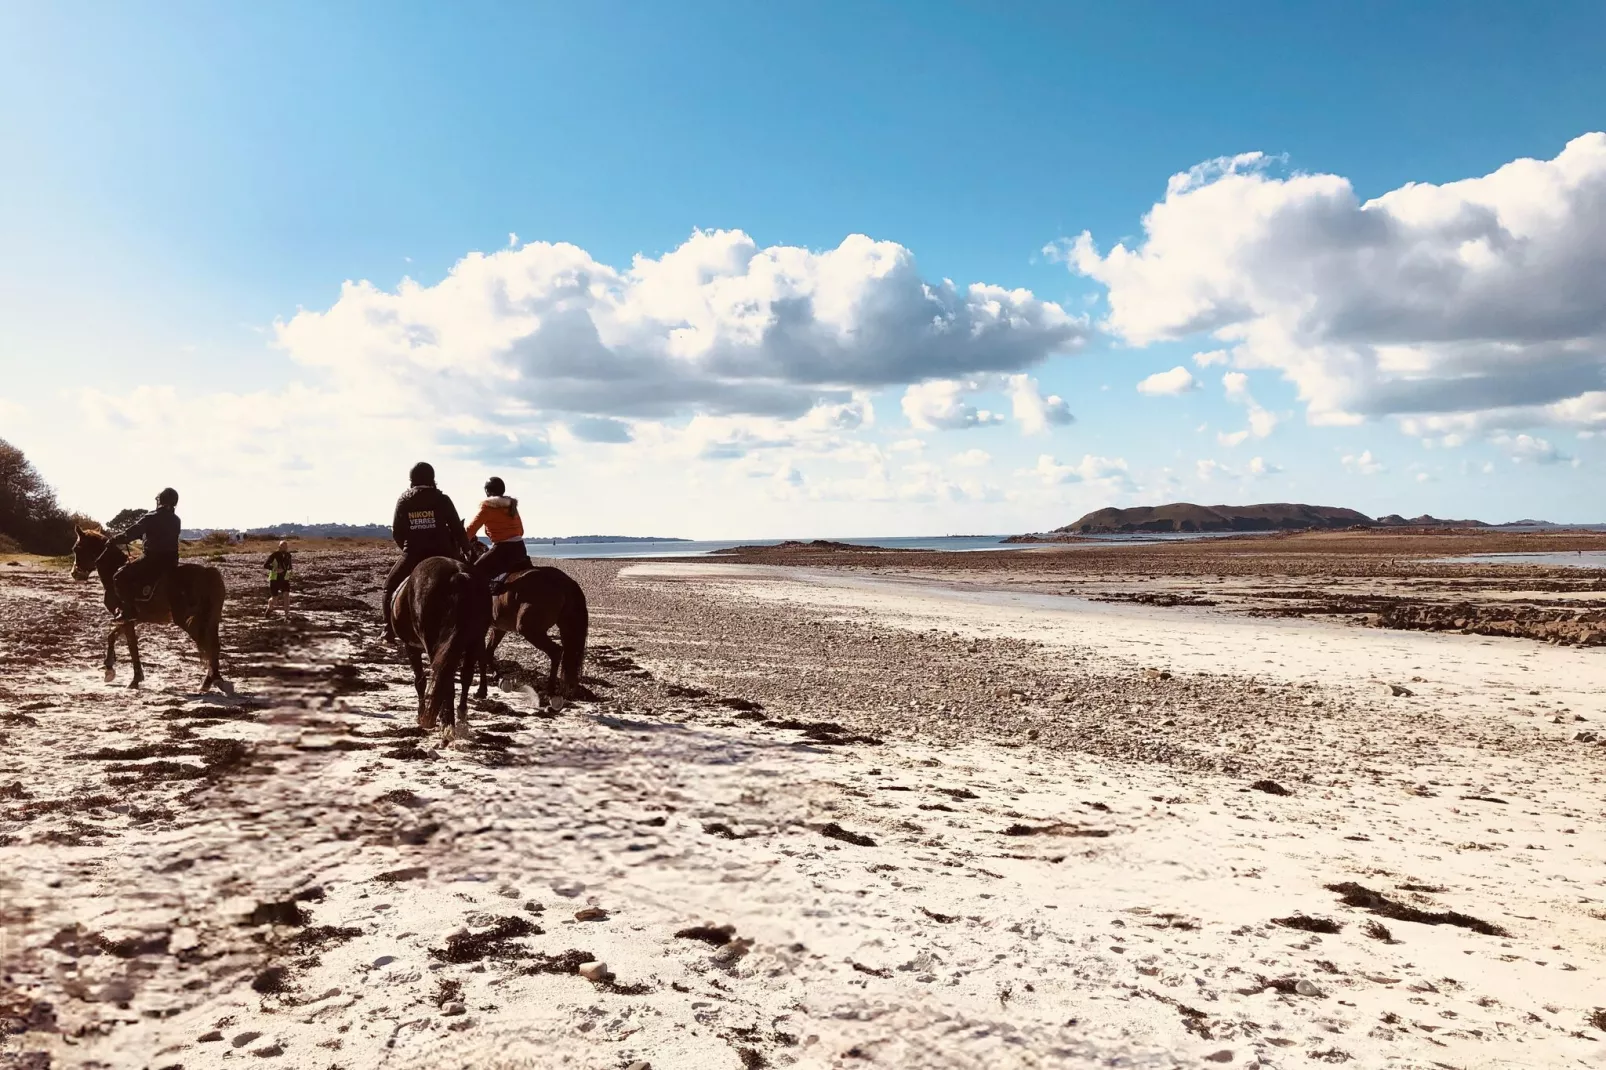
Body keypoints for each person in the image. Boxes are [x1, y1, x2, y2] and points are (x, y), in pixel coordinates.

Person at [383, 461, 469, 640]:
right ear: (432, 478)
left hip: (414, 553)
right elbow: (457, 528)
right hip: (443, 552)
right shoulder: (442, 499)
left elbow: (397, 531)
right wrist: (466, 551)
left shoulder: (404, 499)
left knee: (389, 587)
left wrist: (407, 549)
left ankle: (388, 630)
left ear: (412, 479)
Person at [109, 488, 182, 621]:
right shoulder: (176, 519)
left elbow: (129, 534)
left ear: (160, 500)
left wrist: (114, 539)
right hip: (172, 561)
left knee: (119, 577)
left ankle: (129, 611)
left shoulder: (151, 517)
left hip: (152, 559)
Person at [465, 476, 532, 592]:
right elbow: (521, 531)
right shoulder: (511, 506)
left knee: (473, 573)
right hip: (520, 548)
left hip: (502, 550)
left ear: (487, 491)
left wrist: (461, 541)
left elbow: (471, 530)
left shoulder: (487, 507)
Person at [265, 540, 293, 617]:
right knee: (275, 601)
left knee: (286, 595)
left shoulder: (288, 555)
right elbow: (266, 565)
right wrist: (275, 569)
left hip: (285, 579)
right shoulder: (274, 555)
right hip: (274, 579)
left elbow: (290, 566)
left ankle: (287, 616)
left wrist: (290, 573)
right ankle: (269, 608)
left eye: (286, 546)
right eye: (283, 546)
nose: (285, 548)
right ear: (279, 547)